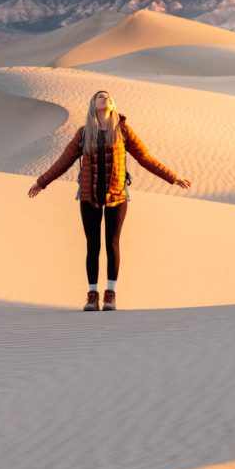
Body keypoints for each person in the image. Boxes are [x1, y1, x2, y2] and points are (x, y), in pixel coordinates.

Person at [28, 90, 191, 311]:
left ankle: (110, 295)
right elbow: (63, 161)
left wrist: (173, 178)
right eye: (99, 97)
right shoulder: (84, 133)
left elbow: (145, 157)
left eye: (107, 96)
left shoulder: (122, 130)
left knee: (112, 244)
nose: (104, 98)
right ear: (93, 105)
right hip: (89, 196)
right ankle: (92, 295)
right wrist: (42, 182)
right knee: (93, 245)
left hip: (117, 196)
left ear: (112, 104)